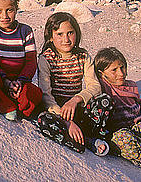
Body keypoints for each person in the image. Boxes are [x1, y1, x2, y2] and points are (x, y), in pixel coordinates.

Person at [37, 12, 111, 155]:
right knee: (44, 120)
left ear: (76, 33)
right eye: (60, 34)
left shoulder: (83, 56)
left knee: (105, 101)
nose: (66, 39)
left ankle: (88, 136)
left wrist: (76, 99)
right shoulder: (46, 58)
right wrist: (67, 121)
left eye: (70, 33)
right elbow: (46, 95)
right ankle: (79, 141)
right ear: (51, 37)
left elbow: (95, 86)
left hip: (77, 107)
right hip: (57, 110)